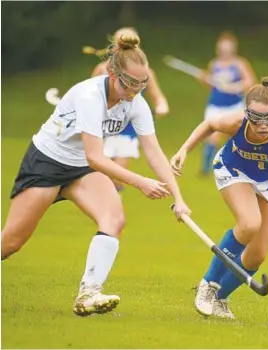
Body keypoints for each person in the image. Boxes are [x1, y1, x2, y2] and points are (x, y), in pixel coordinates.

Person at [2, 33, 190, 317]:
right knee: (11, 243)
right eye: (129, 83)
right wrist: (140, 182)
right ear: (113, 73)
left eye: (143, 84)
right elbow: (96, 156)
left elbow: (153, 152)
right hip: (48, 162)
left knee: (114, 219)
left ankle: (88, 293)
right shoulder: (91, 95)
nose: (136, 90)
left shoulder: (136, 103)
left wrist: (178, 198)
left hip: (82, 168)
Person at [170, 76, 268, 319]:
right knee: (250, 223)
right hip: (235, 170)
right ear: (247, 113)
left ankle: (220, 299)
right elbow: (209, 124)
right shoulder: (236, 122)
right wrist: (184, 149)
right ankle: (208, 285)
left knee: (257, 255)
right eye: (256, 118)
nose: (263, 125)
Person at [89, 27, 170, 191]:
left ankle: (111, 204)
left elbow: (157, 95)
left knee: (118, 173)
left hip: (127, 128)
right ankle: (107, 206)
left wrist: (162, 106)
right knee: (102, 173)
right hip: (105, 126)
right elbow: (89, 94)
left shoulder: (146, 72)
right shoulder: (101, 69)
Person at [198, 31, 257, 176]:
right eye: (222, 47)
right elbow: (212, 85)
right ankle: (205, 169)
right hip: (215, 105)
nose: (224, 50)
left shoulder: (240, 64)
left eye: (227, 47)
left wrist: (235, 87)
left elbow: (250, 82)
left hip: (234, 106)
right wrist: (205, 79)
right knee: (212, 135)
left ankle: (239, 166)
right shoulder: (214, 64)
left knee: (236, 136)